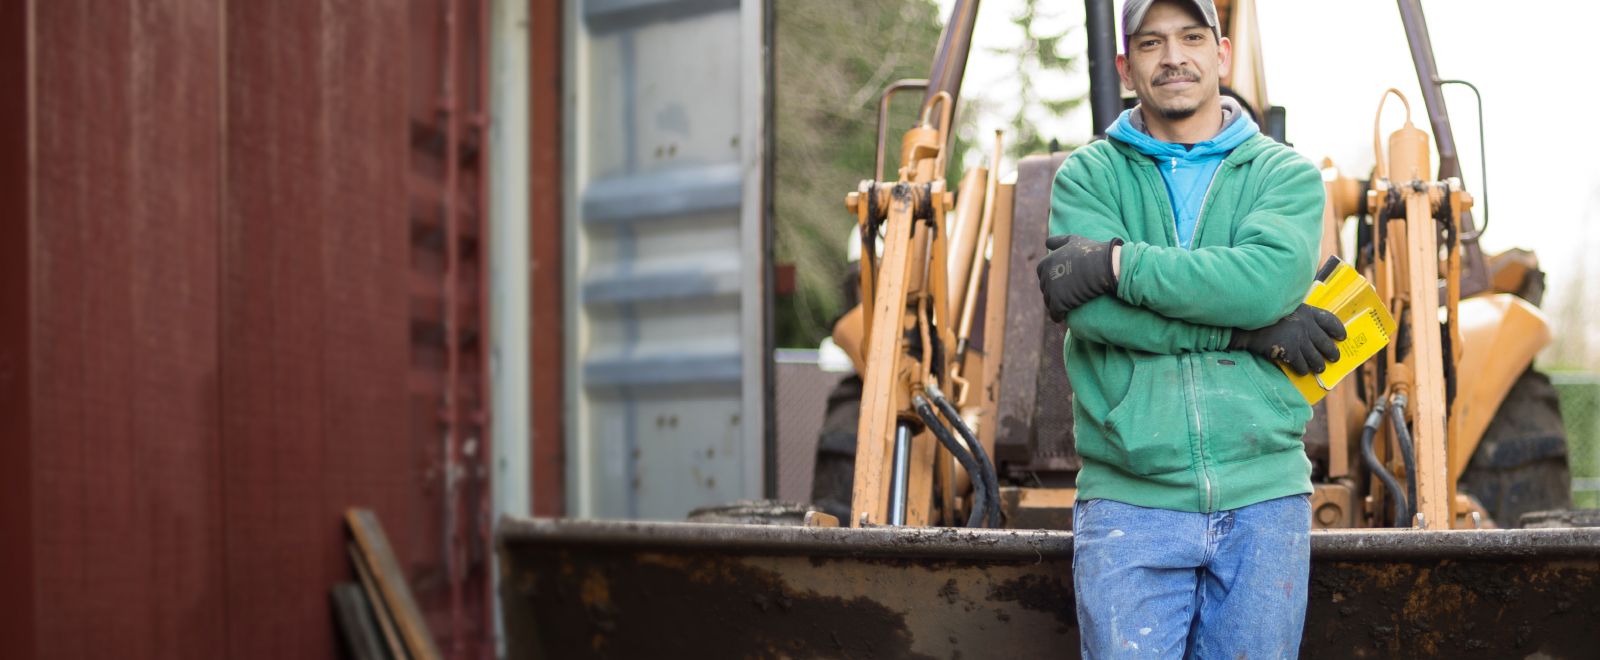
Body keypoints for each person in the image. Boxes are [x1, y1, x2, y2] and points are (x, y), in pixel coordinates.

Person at [1033, 0, 1346, 657]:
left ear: (1221, 54)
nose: (1173, 56)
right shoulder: (1090, 176)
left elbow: (1264, 284)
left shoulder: (1284, 175)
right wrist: (1243, 333)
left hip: (1265, 500)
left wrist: (1119, 262)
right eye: (1151, 43)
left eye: (1191, 37)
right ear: (1125, 66)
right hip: (1129, 504)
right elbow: (1090, 312)